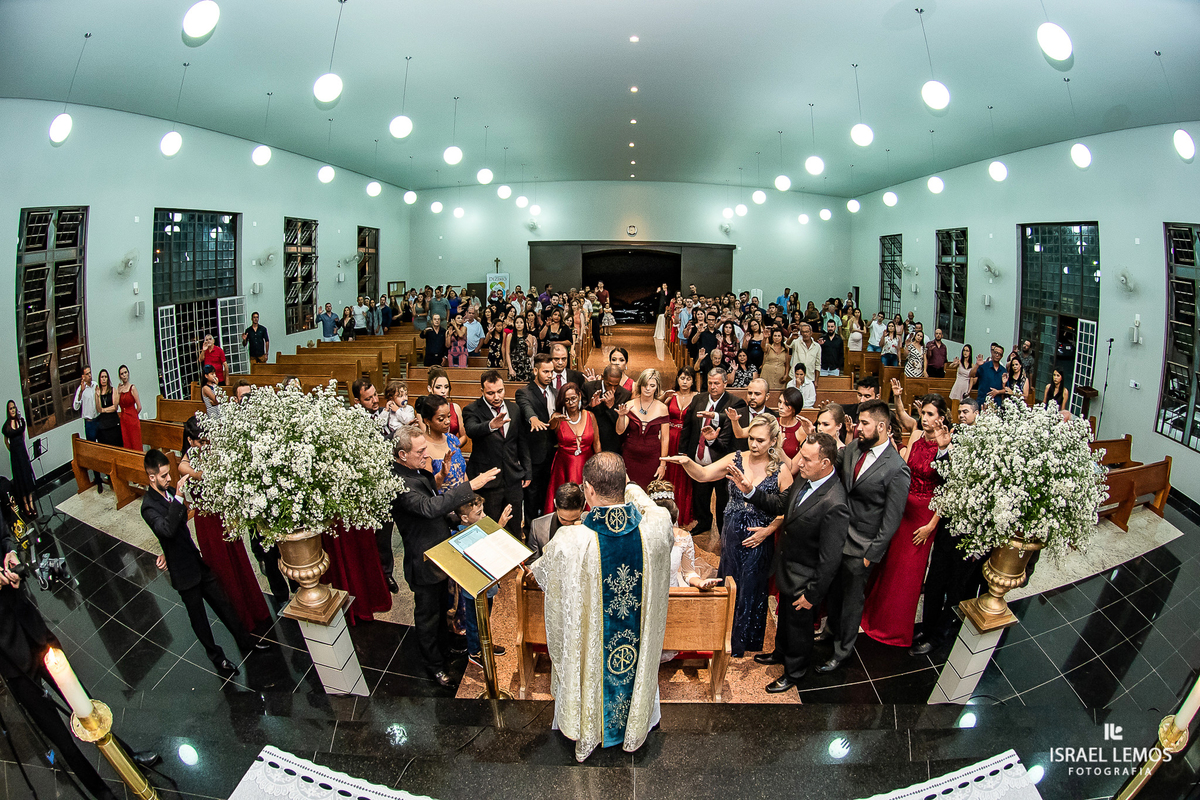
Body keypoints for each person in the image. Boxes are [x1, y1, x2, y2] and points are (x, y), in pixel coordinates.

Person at [528, 453, 671, 761]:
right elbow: (647, 504)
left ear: (588, 490)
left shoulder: (570, 542)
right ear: (624, 485)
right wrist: (629, 487)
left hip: (595, 655)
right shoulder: (657, 528)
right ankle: (633, 726)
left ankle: (591, 728)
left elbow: (548, 587)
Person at [2, 530, 160, 800]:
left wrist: (10, 552)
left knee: (84, 701)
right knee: (59, 736)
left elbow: (4, 534)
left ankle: (127, 758)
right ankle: (102, 794)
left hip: (33, 630)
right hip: (9, 653)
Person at [728, 432, 848, 691]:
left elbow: (830, 559)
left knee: (799, 629)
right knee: (785, 621)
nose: (799, 463)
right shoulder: (805, 480)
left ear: (825, 464)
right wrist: (751, 491)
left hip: (804, 580)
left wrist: (812, 595)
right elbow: (780, 505)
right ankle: (780, 653)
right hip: (788, 567)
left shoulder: (834, 502)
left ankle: (794, 672)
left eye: (806, 459)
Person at [663, 415, 790, 657]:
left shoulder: (781, 470)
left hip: (757, 539)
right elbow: (702, 474)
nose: (753, 444)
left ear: (773, 441)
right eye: (751, 438)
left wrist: (767, 531)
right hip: (731, 534)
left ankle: (743, 643)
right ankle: (720, 637)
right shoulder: (735, 459)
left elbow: (788, 510)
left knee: (750, 588)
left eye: (760, 440)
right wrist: (687, 462)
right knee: (728, 584)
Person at [141, 449, 270, 675]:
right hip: (183, 572)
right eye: (163, 476)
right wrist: (179, 498)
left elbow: (178, 525)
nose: (169, 479)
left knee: (224, 604)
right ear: (151, 477)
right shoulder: (148, 506)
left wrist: (166, 547)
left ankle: (246, 641)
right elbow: (168, 530)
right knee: (199, 619)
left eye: (168, 474)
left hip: (195, 560)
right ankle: (217, 658)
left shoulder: (170, 492)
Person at [390, 425, 500, 686]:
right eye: (420, 451)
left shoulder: (414, 471)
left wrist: (441, 478)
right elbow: (428, 507)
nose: (426, 454)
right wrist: (469, 486)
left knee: (442, 609)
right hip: (423, 560)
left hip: (439, 556)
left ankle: (444, 648)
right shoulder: (398, 482)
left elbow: (433, 504)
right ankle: (434, 666)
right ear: (403, 455)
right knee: (428, 617)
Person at [814, 400, 911, 674]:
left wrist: (871, 555)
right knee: (833, 592)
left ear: (882, 426)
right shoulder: (855, 447)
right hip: (838, 536)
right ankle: (829, 634)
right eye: (858, 422)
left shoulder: (896, 468)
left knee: (851, 601)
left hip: (863, 546)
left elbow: (891, 520)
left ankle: (842, 651)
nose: (858, 428)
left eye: (865, 423)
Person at [860, 395, 951, 648]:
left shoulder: (948, 445)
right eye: (924, 413)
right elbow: (903, 469)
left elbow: (949, 489)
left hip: (924, 517)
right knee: (889, 565)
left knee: (908, 573)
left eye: (931, 414)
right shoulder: (915, 436)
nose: (925, 418)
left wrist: (932, 525)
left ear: (941, 418)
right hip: (902, 509)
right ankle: (874, 617)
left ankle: (896, 630)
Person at [178, 417, 270, 633]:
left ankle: (255, 611)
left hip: (224, 516)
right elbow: (183, 466)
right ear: (191, 442)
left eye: (206, 440)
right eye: (200, 442)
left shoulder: (216, 452)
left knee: (239, 563)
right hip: (205, 521)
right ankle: (238, 620)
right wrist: (197, 473)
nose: (205, 445)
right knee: (221, 570)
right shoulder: (190, 456)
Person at [911, 397, 984, 656]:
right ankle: (927, 627)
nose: (962, 415)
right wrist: (943, 451)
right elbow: (946, 480)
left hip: (972, 530)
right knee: (934, 583)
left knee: (956, 588)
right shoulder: (955, 437)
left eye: (967, 411)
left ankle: (939, 635)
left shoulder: (987, 447)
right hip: (949, 524)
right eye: (960, 411)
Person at [678, 368, 746, 536]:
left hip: (721, 460)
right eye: (710, 383)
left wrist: (714, 416)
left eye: (717, 383)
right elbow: (688, 426)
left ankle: (723, 530)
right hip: (699, 457)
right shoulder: (698, 399)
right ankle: (703, 522)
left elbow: (727, 418)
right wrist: (683, 451)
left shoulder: (735, 402)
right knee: (700, 496)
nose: (713, 386)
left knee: (723, 499)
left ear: (725, 383)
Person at [464, 371, 531, 536]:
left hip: (512, 478)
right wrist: (491, 425)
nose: (496, 396)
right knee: (490, 527)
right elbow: (471, 430)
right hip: (488, 480)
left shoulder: (514, 409)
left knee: (515, 526)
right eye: (490, 393)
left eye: (500, 391)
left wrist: (527, 470)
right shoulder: (472, 409)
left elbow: (521, 442)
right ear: (482, 391)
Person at [453, 494, 513, 664]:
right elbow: (483, 550)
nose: (484, 516)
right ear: (465, 517)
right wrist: (500, 525)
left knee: (485, 619)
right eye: (478, 513)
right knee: (474, 623)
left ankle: (485, 644)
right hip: (474, 591)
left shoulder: (477, 527)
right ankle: (474, 651)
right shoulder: (461, 535)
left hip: (488, 586)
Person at [517, 354, 560, 529]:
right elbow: (526, 407)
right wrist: (532, 418)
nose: (550, 375)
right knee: (532, 500)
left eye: (552, 372)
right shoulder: (524, 392)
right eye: (545, 372)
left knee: (548, 497)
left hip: (553, 454)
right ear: (535, 371)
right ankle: (530, 534)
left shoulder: (556, 392)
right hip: (534, 456)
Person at [544, 382, 602, 511]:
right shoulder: (557, 417)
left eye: (573, 398)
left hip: (587, 465)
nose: (571, 402)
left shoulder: (590, 416)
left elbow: (597, 443)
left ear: (579, 396)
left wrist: (599, 465)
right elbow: (551, 425)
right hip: (564, 466)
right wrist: (555, 420)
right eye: (567, 400)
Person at [617, 369, 670, 488]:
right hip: (630, 456)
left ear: (657, 388)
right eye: (645, 385)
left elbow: (665, 438)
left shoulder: (662, 408)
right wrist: (621, 416)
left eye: (652, 386)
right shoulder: (630, 404)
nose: (648, 388)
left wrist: (663, 464)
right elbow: (619, 431)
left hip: (652, 458)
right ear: (640, 385)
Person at [420, 395, 468, 491]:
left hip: (462, 499)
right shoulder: (422, 447)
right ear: (427, 421)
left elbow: (463, 473)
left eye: (449, 416)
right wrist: (442, 474)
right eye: (441, 419)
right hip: (441, 502)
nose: (448, 421)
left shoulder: (452, 439)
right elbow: (428, 489)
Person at [584, 365, 633, 455]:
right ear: (602, 377)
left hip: (611, 443)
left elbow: (621, 426)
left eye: (616, 385)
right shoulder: (588, 387)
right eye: (609, 384)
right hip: (589, 442)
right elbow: (580, 414)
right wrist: (591, 406)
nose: (612, 389)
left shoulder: (625, 395)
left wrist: (611, 406)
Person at [529, 482, 585, 556]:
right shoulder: (538, 527)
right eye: (563, 519)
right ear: (555, 503)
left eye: (574, 520)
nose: (568, 525)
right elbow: (532, 563)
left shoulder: (592, 528)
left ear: (584, 506)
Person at [3, 401, 36, 516]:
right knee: (20, 477)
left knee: (27, 475)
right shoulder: (7, 425)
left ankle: (31, 502)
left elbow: (22, 435)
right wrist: (12, 450)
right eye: (10, 408)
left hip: (23, 453)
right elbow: (6, 440)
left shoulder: (21, 421)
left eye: (14, 408)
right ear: (8, 411)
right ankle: (25, 504)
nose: (12, 410)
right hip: (15, 455)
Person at [423, 367, 465, 443]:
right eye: (438, 387)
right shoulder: (424, 409)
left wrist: (454, 447)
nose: (443, 391)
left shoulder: (455, 407)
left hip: (453, 450)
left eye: (446, 387)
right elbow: (425, 438)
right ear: (429, 388)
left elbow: (464, 436)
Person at [115, 364, 142, 452]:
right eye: (122, 374)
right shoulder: (120, 389)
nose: (124, 375)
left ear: (128, 373)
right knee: (127, 443)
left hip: (132, 418)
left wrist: (133, 415)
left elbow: (139, 406)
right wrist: (118, 393)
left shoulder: (132, 388)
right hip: (123, 419)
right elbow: (117, 404)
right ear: (120, 376)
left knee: (135, 442)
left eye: (125, 372)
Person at [94, 368, 122, 446]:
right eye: (102, 377)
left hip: (113, 422)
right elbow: (99, 409)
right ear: (99, 379)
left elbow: (115, 407)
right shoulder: (98, 391)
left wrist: (104, 410)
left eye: (105, 377)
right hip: (103, 424)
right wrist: (98, 396)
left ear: (108, 379)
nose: (104, 379)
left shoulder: (113, 390)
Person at [504, 315, 536, 382]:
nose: (519, 325)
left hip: (525, 365)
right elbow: (507, 353)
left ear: (524, 324)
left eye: (521, 323)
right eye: (517, 322)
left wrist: (529, 346)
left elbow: (530, 354)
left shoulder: (529, 336)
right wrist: (510, 368)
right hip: (514, 365)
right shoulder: (510, 336)